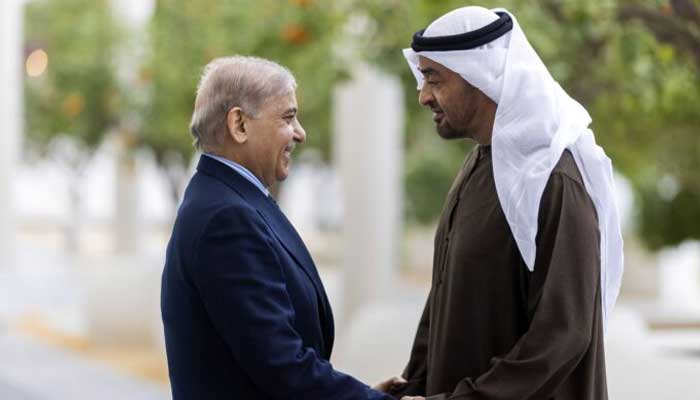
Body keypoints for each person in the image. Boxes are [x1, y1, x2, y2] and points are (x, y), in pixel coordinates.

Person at [391, 7, 624, 400]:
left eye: (434, 79)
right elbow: (444, 299)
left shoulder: (554, 180)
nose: (423, 95)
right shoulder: (481, 162)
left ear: (483, 77)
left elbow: (563, 335)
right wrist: (412, 385)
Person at [161, 55, 403, 399]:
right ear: (239, 125)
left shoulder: (230, 200)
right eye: (288, 117)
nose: (300, 133)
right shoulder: (226, 219)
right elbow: (282, 367)